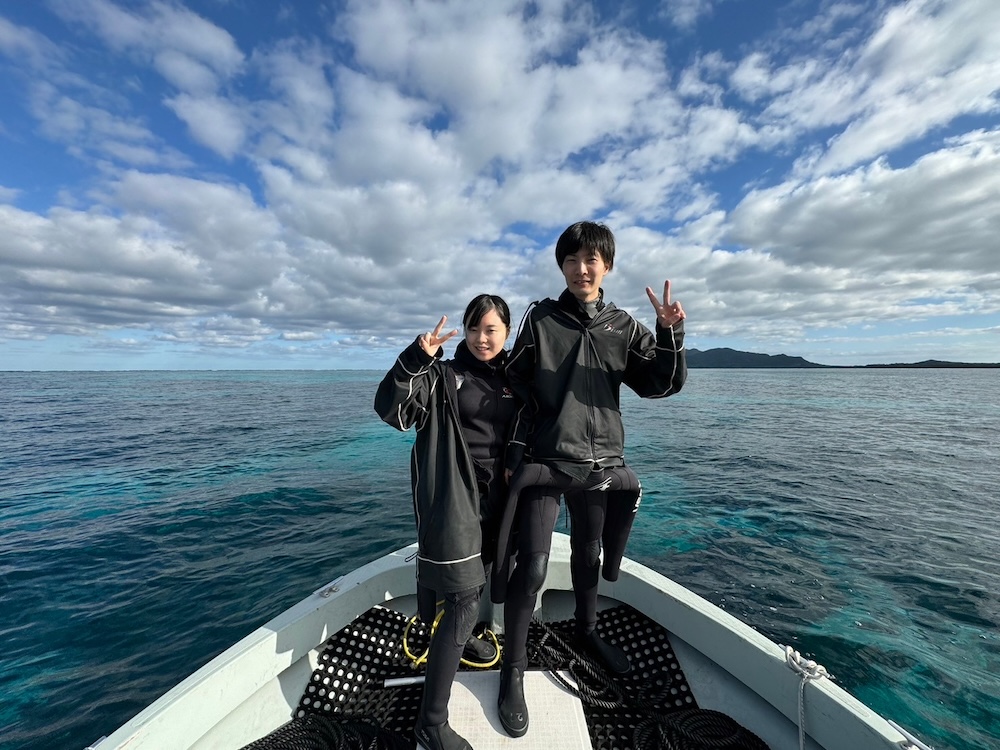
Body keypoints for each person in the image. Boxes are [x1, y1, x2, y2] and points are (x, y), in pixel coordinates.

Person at [493, 221, 687, 738]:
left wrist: (669, 334)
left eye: (591, 260)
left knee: (589, 554)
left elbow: (660, 385)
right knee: (533, 566)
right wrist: (515, 450)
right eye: (572, 259)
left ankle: (587, 632)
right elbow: (516, 385)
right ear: (562, 265)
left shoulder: (623, 326)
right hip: (548, 460)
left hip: (602, 465)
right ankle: (513, 670)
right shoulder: (540, 319)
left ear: (607, 266)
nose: (582, 269)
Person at [374, 294, 518, 750]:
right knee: (462, 597)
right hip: (455, 501)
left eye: (491, 330)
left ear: (507, 332)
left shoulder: (516, 377)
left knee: (482, 579)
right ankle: (431, 721)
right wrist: (418, 357)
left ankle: (468, 638)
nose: (481, 338)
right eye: (474, 328)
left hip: (500, 502)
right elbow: (392, 411)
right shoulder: (443, 376)